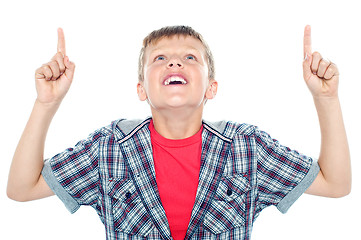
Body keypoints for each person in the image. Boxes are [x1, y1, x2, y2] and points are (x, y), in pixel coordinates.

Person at [7, 25, 351, 240]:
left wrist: (326, 98)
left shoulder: (248, 148)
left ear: (211, 87)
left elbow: (335, 184)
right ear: (142, 89)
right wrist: (46, 104)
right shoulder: (108, 148)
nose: (174, 63)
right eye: (160, 58)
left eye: (189, 57)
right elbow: (21, 189)